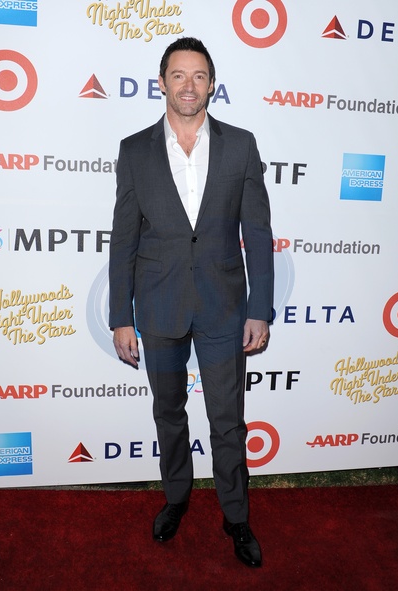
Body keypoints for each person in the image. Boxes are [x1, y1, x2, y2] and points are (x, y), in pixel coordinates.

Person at [109, 37, 273, 568]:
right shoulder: (135, 150)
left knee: (228, 419)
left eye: (199, 76)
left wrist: (260, 308)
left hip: (224, 307)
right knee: (168, 412)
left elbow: (258, 233)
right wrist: (121, 316)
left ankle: (236, 516)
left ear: (212, 85)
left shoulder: (240, 145)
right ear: (162, 83)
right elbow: (123, 240)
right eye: (178, 75)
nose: (188, 85)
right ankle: (176, 498)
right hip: (159, 307)